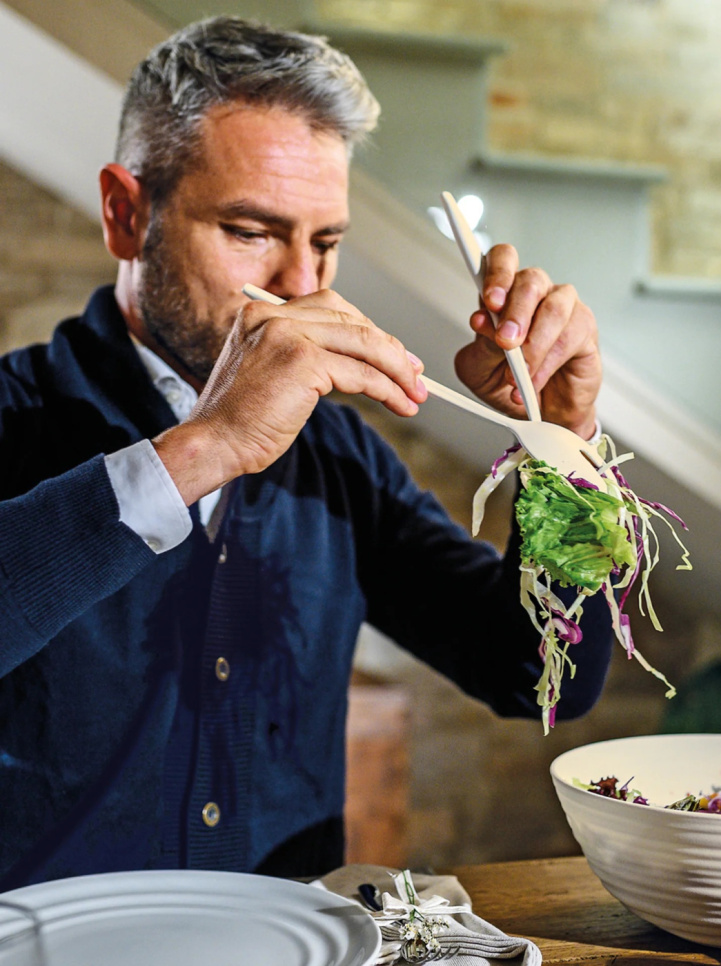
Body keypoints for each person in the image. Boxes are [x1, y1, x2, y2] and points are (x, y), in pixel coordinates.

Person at [0, 16, 613, 888]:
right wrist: (205, 448)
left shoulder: (337, 453)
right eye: (251, 231)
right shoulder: (12, 416)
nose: (302, 287)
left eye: (325, 242)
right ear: (125, 213)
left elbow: (537, 677)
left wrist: (566, 444)